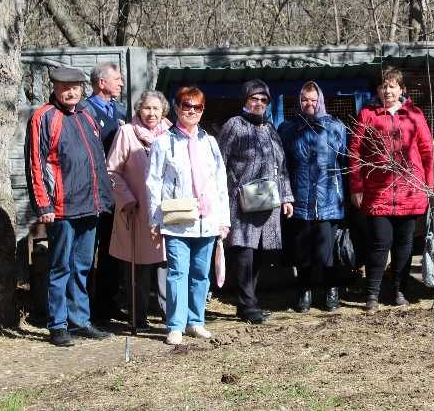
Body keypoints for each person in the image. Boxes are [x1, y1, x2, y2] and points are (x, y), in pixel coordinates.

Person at [24, 66, 113, 347]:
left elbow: (97, 161)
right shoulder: (43, 117)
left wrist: (104, 199)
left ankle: (80, 320)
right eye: (65, 86)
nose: (70, 91)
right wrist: (43, 205)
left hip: (90, 205)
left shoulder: (87, 116)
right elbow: (35, 165)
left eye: (75, 86)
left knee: (83, 266)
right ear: (55, 88)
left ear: (83, 88)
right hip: (60, 208)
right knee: (60, 267)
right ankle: (58, 324)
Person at [146, 86, 231, 344]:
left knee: (200, 273)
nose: (191, 111)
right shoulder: (163, 142)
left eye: (197, 107)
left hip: (207, 220)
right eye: (186, 106)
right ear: (177, 107)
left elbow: (220, 182)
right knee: (177, 272)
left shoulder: (210, 142)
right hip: (177, 220)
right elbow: (153, 182)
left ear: (203, 110)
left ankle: (196, 321)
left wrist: (223, 220)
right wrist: (154, 220)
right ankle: (175, 324)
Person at [349, 67, 434, 311]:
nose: (387, 90)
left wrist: (429, 186)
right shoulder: (368, 114)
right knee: (380, 243)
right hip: (379, 191)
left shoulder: (414, 114)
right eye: (383, 86)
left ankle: (398, 290)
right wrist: (357, 186)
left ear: (401, 89)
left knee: (404, 244)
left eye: (392, 86)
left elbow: (427, 152)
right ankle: (372, 294)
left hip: (411, 190)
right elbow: (355, 152)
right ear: (377, 90)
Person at [218, 80, 294, 324]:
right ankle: (247, 304)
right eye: (254, 98)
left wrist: (286, 197)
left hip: (268, 201)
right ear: (245, 100)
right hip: (242, 202)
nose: (259, 103)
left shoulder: (271, 129)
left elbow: (281, 168)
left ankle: (249, 303)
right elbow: (220, 162)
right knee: (245, 253)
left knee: (260, 253)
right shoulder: (234, 125)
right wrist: (232, 190)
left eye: (263, 99)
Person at [279, 82, 347, 312]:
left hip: (328, 199)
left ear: (321, 100)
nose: (309, 103)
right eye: (305, 99)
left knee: (327, 252)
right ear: (299, 102)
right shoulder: (288, 128)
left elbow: (344, 161)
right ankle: (304, 292)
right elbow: (283, 166)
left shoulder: (335, 127)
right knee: (303, 252)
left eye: (313, 99)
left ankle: (331, 290)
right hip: (300, 200)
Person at [106, 91, 172, 329]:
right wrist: (126, 198)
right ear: (138, 110)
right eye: (147, 108)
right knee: (139, 267)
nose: (151, 113)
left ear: (163, 110)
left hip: (167, 211)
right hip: (138, 210)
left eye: (156, 108)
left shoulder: (170, 133)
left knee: (167, 263)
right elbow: (111, 171)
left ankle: (170, 316)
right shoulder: (126, 133)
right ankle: (138, 317)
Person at [83, 62, 127, 324]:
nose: (121, 83)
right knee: (89, 252)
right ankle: (87, 309)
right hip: (91, 193)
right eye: (117, 79)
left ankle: (108, 303)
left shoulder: (120, 111)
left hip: (116, 193)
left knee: (112, 251)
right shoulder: (84, 111)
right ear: (101, 83)